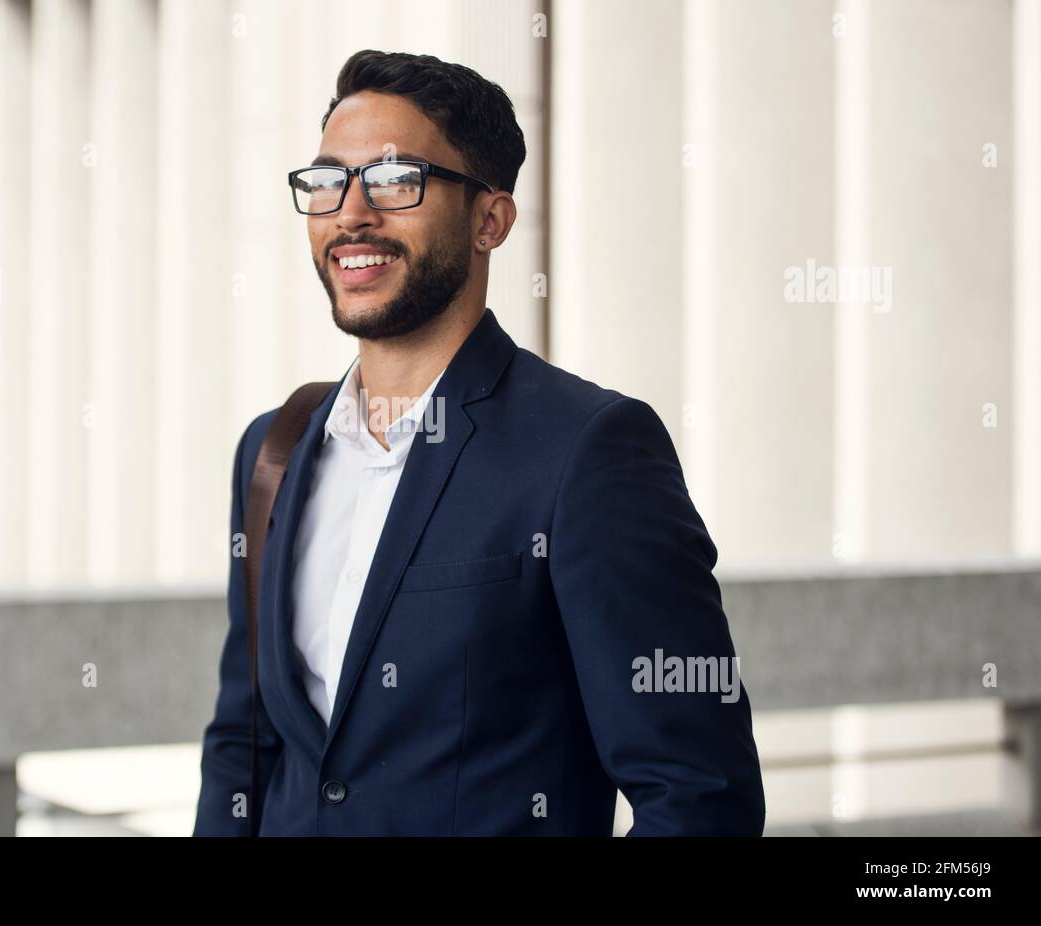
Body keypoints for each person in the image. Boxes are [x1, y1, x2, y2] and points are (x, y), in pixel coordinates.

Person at [193, 49, 765, 836]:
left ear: (490, 220)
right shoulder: (274, 451)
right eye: (329, 181)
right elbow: (243, 746)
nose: (352, 213)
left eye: (396, 179)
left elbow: (700, 795)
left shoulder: (588, 452)